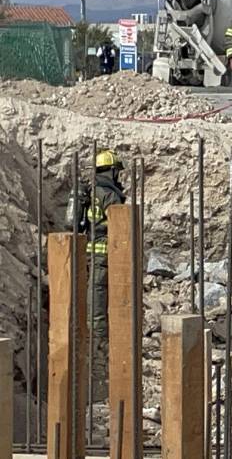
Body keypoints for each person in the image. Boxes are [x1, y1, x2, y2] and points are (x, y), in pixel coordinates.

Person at [76, 149, 126, 401]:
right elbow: (119, 223)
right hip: (105, 252)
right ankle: (98, 342)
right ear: (112, 170)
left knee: (93, 290)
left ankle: (96, 333)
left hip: (89, 250)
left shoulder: (91, 192)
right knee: (98, 293)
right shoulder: (109, 195)